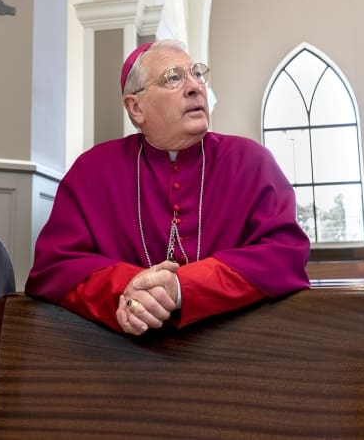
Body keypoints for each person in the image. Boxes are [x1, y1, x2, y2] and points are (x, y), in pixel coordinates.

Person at [25, 39, 310, 335]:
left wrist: (180, 287)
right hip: (122, 361)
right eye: (173, 78)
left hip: (236, 352)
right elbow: (54, 268)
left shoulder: (252, 161)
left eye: (197, 74)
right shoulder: (92, 171)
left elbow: (284, 254)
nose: (195, 87)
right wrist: (128, 290)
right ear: (136, 108)